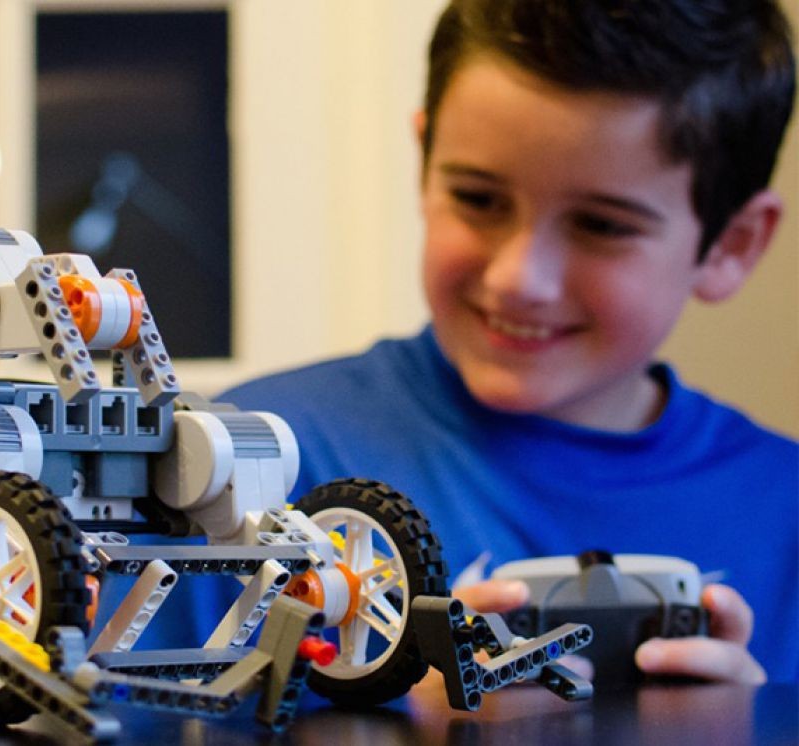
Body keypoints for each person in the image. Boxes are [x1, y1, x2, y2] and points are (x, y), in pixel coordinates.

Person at [217, 0, 798, 686]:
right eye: (479, 199)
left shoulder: (782, 512)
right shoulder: (247, 466)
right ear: (423, 163)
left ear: (732, 245)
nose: (519, 278)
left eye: (601, 225)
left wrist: (759, 726)